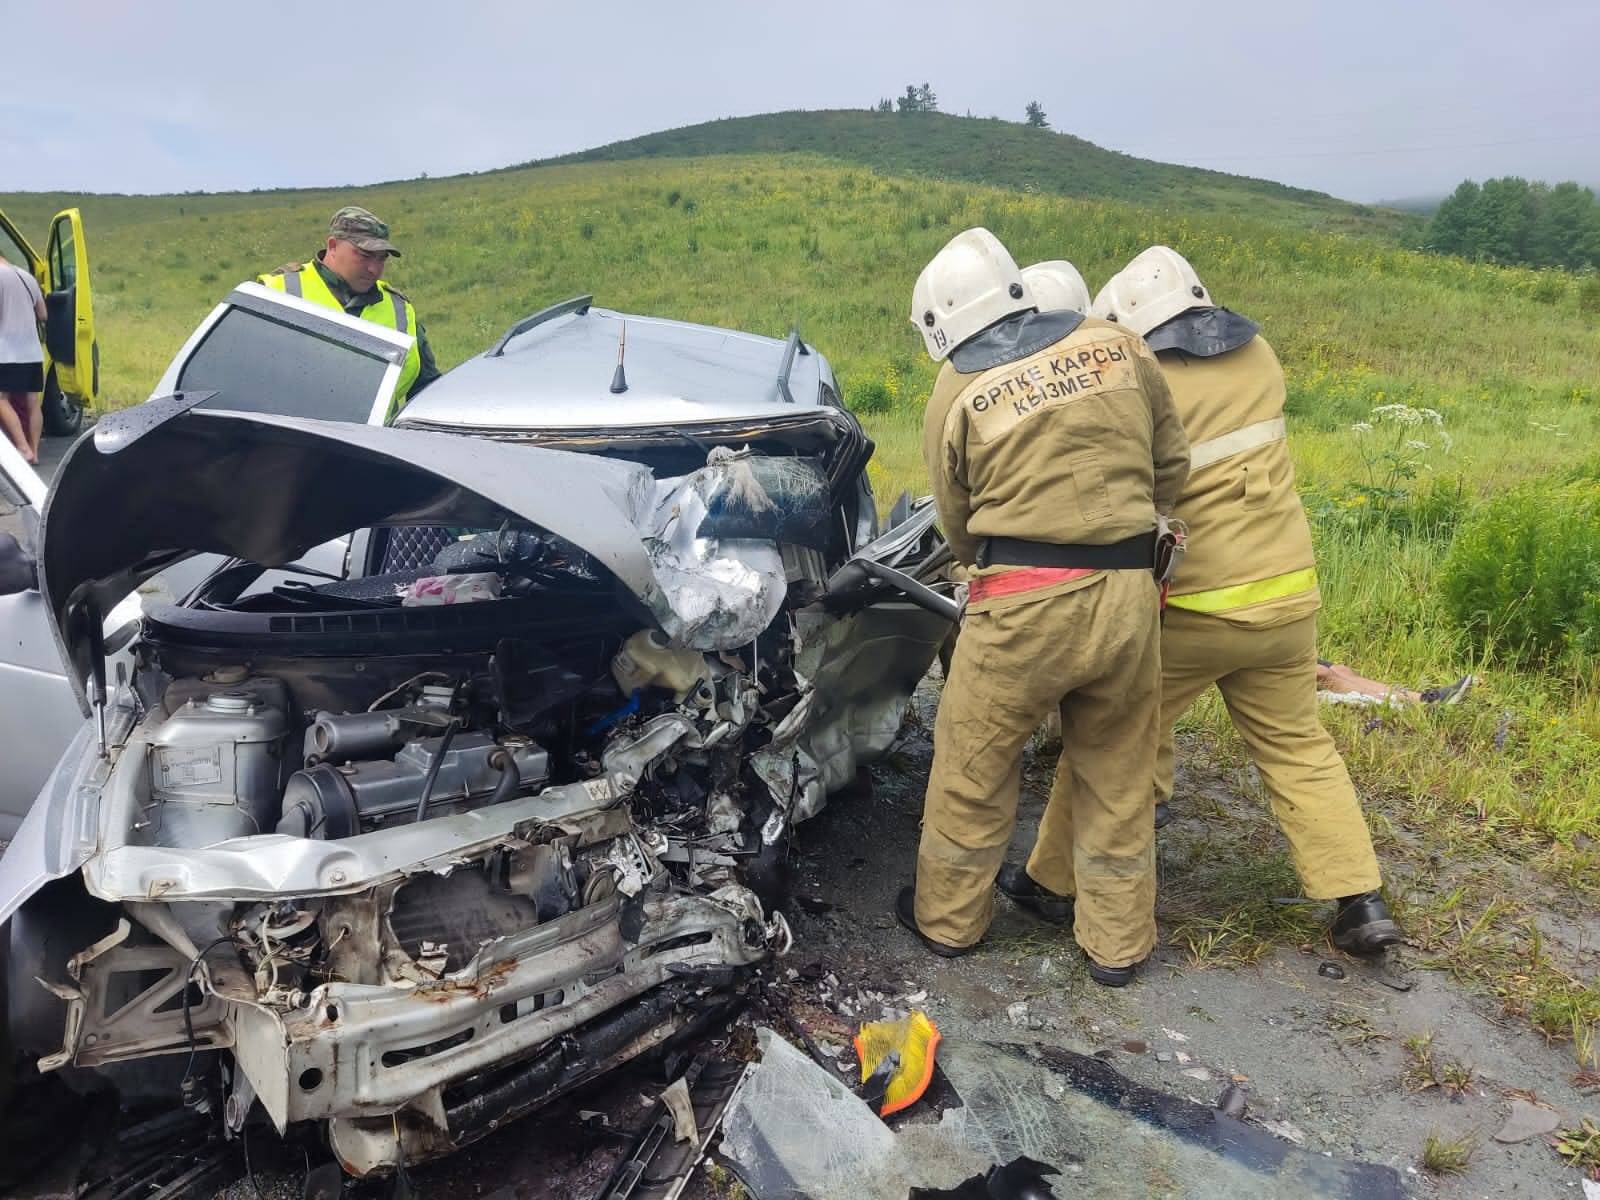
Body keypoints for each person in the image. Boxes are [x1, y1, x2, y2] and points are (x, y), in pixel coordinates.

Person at [1089, 245, 1400, 955]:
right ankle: (1359, 901)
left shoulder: (1144, 378)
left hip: (1199, 606)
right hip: (1289, 595)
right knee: (1298, 747)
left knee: (1114, 735)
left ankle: (1051, 885)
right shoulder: (1258, 353)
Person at [901, 229, 1189, 986]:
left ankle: (950, 925)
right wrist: (1123, 533)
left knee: (973, 765)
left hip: (1022, 606)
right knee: (1118, 774)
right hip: (1129, 601)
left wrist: (997, 558)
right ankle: (1117, 947)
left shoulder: (956, 390)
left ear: (941, 327)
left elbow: (956, 517)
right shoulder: (1118, 345)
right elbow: (1171, 465)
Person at [257, 206, 439, 418]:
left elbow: (427, 392)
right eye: (364, 256)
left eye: (381, 259)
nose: (374, 269)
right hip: (291, 441)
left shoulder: (399, 309)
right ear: (332, 246)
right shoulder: (277, 292)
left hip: (370, 445)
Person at [0, 254, 48, 463]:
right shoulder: (27, 277)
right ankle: (35, 452)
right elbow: (43, 314)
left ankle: (22, 447)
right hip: (32, 352)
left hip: (6, 351)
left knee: (1, 399)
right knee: (33, 401)